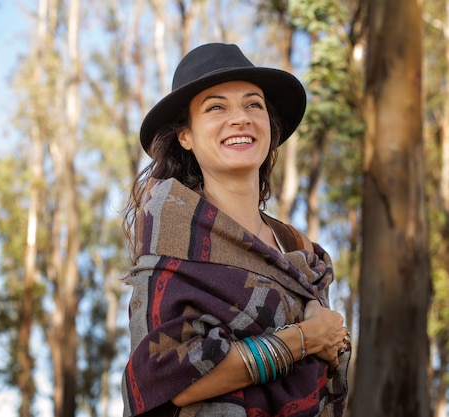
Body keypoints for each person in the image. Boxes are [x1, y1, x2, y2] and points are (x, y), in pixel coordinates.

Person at [121, 43, 350, 417]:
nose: (240, 118)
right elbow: (174, 377)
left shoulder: (298, 247)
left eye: (253, 104)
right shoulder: (172, 235)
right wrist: (305, 339)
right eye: (216, 107)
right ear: (186, 136)